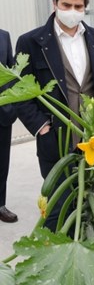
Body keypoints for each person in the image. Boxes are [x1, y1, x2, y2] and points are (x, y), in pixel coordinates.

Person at [15, 0, 94, 232]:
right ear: (55, 3)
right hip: (56, 138)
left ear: (85, 8)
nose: (72, 11)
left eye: (78, 6)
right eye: (67, 5)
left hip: (92, 138)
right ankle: (55, 251)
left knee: (86, 200)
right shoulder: (32, 41)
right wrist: (40, 126)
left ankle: (81, 246)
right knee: (59, 204)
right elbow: (20, 91)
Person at [0, 29, 18, 223]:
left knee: (2, 161)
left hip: (2, 111)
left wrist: (13, 107)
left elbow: (12, 72)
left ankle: (0, 204)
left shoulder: (4, 36)